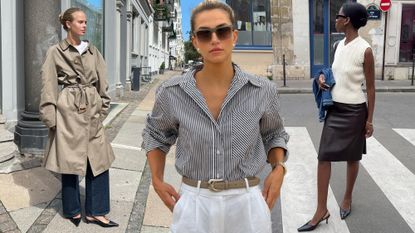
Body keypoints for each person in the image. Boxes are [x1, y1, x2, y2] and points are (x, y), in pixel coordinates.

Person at [142, 1, 289, 233]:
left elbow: (274, 134)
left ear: (234, 36)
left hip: (247, 203)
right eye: (204, 34)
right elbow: (156, 134)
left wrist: (278, 168)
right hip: (194, 202)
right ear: (195, 42)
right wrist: (157, 180)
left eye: (222, 31)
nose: (214, 39)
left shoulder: (262, 90)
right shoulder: (172, 92)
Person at [298, 2, 375, 232]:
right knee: (324, 157)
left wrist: (369, 120)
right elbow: (334, 73)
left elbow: (370, 88)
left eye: (338, 16)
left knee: (353, 158)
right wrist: (323, 79)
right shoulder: (338, 45)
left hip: (354, 112)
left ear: (348, 20)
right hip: (335, 110)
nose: (335, 19)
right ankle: (321, 209)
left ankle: (347, 198)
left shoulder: (365, 50)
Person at [39, 7, 118, 228]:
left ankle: (97, 211)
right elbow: (48, 84)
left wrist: (102, 108)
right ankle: (72, 209)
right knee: (69, 160)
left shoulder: (93, 51)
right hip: (67, 109)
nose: (85, 25)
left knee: (99, 159)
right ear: (68, 24)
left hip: (91, 107)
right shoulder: (55, 51)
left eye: (85, 22)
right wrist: (50, 116)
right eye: (80, 22)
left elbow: (103, 83)